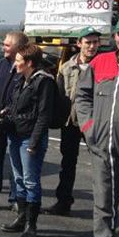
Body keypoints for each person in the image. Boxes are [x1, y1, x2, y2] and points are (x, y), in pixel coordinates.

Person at [76, 15, 119, 237]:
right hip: (104, 148)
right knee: (104, 201)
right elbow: (82, 97)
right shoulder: (99, 63)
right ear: (114, 37)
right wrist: (90, 129)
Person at [0, 44, 55, 237]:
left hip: (30, 138)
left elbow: (43, 115)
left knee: (31, 181)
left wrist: (33, 142)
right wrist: (4, 113)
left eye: (18, 60)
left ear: (29, 62)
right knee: (18, 178)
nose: (15, 63)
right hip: (15, 135)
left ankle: (32, 225)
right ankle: (21, 218)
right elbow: (14, 104)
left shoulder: (44, 82)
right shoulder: (20, 80)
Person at [43, 26, 101, 216]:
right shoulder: (67, 67)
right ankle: (63, 202)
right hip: (71, 123)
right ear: (79, 44)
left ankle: (103, 207)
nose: (92, 46)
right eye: (88, 42)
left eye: (95, 42)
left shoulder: (103, 64)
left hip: (94, 124)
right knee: (67, 164)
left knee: (102, 166)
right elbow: (61, 94)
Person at [0, 31, 29, 212]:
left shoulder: (24, 68)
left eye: (8, 45)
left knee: (16, 164)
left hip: (15, 125)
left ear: (18, 48)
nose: (3, 47)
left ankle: (15, 199)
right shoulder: (1, 65)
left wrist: (10, 114)